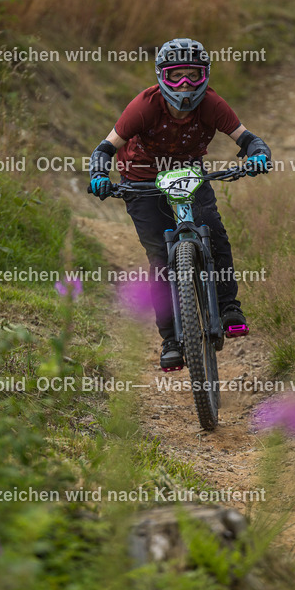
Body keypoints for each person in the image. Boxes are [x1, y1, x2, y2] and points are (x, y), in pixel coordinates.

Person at [88, 37, 272, 370]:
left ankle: (229, 308)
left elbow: (247, 138)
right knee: (160, 256)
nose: (185, 83)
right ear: (162, 76)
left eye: (192, 74)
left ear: (205, 75)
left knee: (213, 231)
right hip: (141, 177)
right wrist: (100, 175)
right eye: (176, 76)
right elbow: (105, 148)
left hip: (188, 171)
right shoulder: (144, 105)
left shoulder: (212, 104)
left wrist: (258, 154)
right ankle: (171, 338)